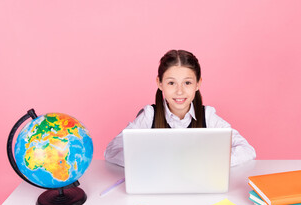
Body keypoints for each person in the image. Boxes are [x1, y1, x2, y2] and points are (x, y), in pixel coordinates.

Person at [105, 49, 256, 167]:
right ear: (160, 83)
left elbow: (247, 149)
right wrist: (146, 162)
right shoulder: (149, 115)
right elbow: (111, 151)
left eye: (187, 83)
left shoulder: (208, 116)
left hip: (198, 184)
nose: (179, 91)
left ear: (198, 83)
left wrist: (210, 163)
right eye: (171, 83)